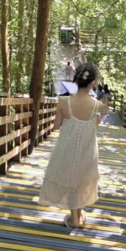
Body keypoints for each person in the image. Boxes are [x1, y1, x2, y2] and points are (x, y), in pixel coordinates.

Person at [38, 62, 108, 229]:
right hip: (87, 149)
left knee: (69, 177)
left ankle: (74, 217)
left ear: (76, 80)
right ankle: (78, 215)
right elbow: (95, 123)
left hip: (66, 147)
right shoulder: (97, 106)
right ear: (93, 83)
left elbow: (56, 126)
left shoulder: (64, 102)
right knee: (81, 179)